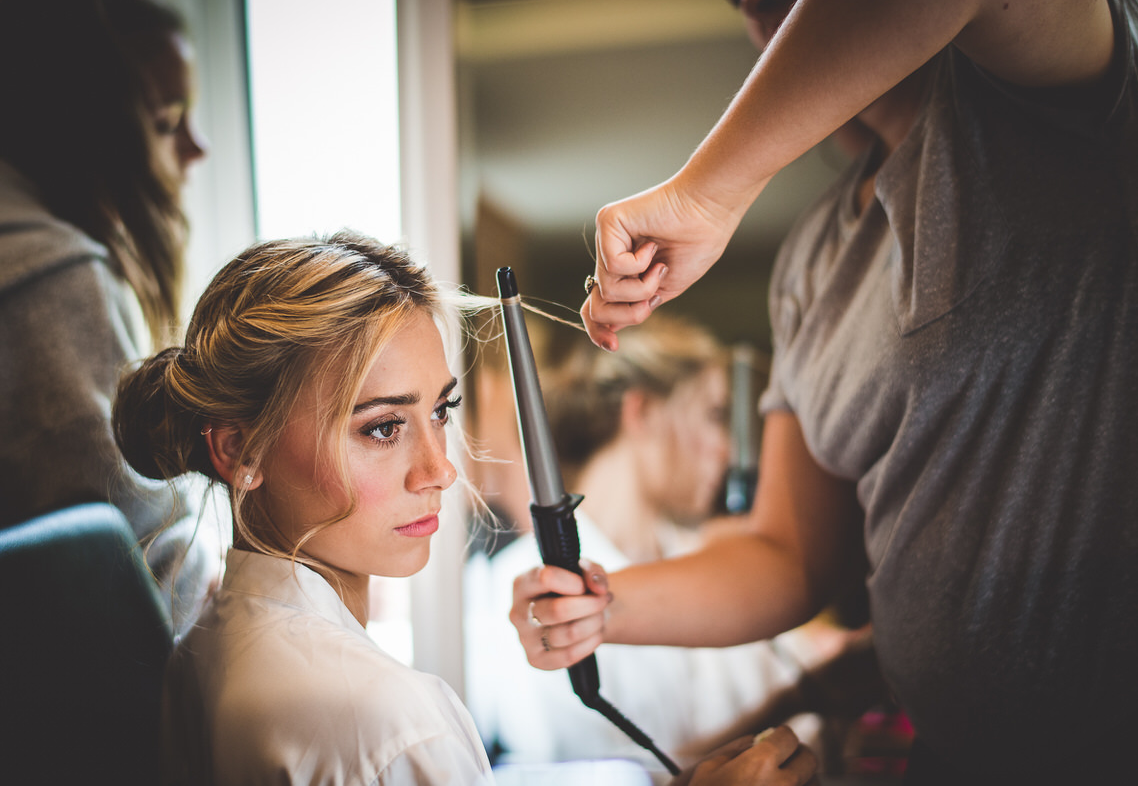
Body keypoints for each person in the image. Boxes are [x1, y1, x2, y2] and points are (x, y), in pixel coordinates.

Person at [511, 0, 1138, 783]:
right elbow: (791, 553)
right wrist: (605, 608)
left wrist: (707, 189)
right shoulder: (815, 256)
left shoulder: (1060, 105)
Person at [113, 231, 820, 786]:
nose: (441, 469)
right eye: (383, 427)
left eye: (441, 411)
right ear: (240, 450)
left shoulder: (204, 650)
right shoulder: (390, 722)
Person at [467, 314, 840, 777]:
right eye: (713, 415)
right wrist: (804, 698)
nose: (724, 450)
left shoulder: (715, 566)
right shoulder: (525, 594)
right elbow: (608, 772)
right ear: (640, 411)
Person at [0, 0, 215, 631]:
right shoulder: (44, 281)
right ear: (84, 135)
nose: (197, 146)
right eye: (165, 122)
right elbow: (138, 565)